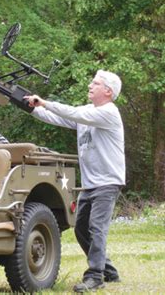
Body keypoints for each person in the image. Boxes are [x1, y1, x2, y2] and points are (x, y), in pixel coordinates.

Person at [24, 70, 125, 293]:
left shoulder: (108, 113)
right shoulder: (88, 112)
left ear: (107, 91)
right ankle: (108, 270)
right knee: (81, 229)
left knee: (96, 228)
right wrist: (32, 108)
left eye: (96, 83)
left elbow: (71, 113)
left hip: (108, 182)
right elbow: (59, 117)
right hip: (90, 183)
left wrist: (45, 102)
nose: (90, 85)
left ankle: (95, 276)